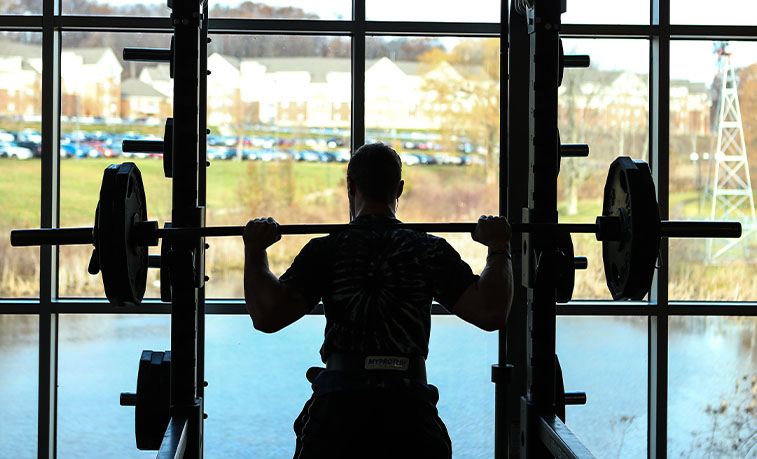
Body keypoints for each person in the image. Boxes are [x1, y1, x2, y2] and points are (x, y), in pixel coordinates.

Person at [243, 142, 513, 458]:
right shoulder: (428, 250)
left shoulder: (326, 250)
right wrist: (498, 246)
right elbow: (492, 313)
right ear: (398, 189)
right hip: (409, 414)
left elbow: (266, 316)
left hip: (337, 414)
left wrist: (255, 250)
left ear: (351, 187)